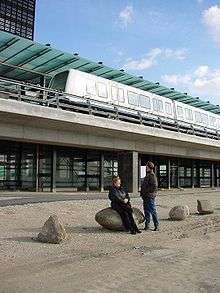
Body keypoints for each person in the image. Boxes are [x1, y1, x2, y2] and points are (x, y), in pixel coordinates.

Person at [140, 161, 159, 231]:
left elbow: (154, 186)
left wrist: (146, 192)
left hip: (149, 196)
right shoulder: (148, 175)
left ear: (149, 167)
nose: (145, 168)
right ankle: (147, 225)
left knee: (153, 211)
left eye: (146, 167)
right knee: (146, 211)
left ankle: (156, 225)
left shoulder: (152, 176)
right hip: (146, 196)